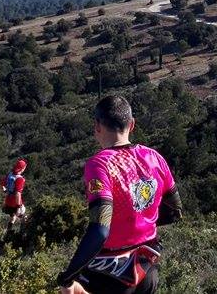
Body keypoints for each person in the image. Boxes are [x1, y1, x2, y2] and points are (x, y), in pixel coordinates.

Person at [57, 95, 182, 294]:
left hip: (110, 274)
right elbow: (175, 211)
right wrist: (140, 225)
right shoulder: (154, 157)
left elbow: (100, 230)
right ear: (132, 125)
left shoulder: (99, 164)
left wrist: (68, 276)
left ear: (97, 126)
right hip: (147, 268)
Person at [1, 158, 27, 233]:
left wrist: (6, 191)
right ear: (22, 168)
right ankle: (23, 233)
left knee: (13, 216)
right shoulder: (20, 179)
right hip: (15, 203)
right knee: (24, 217)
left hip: (8, 200)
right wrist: (19, 206)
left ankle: (8, 231)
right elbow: (18, 194)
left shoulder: (10, 174)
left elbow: (2, 184)